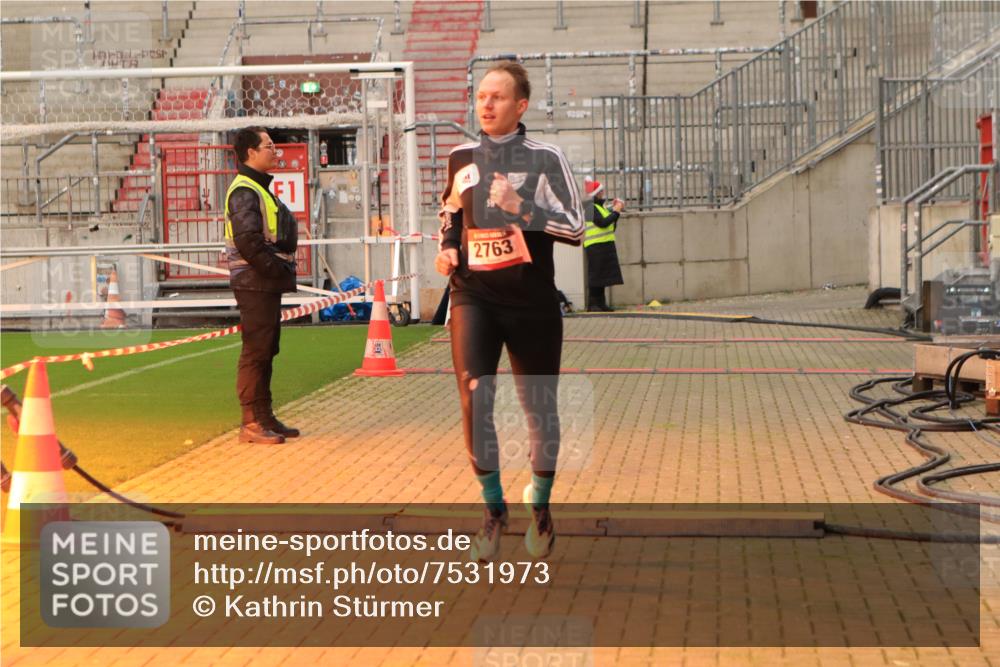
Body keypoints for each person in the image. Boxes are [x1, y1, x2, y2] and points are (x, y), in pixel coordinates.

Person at [435, 61, 584, 561]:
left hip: (532, 301)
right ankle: (494, 508)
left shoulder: (546, 157)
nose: (486, 104)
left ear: (520, 106)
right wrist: (449, 246)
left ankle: (539, 506)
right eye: (481, 96)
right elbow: (451, 211)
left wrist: (522, 209)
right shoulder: (461, 156)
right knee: (475, 402)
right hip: (472, 295)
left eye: (498, 97)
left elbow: (576, 228)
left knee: (539, 409)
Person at [225, 127, 300, 444]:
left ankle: (264, 416)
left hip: (262, 281)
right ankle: (251, 422)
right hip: (254, 281)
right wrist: (274, 268)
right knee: (256, 352)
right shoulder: (245, 191)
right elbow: (248, 241)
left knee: (267, 349)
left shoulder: (256, 187)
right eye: (269, 146)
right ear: (251, 152)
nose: (275, 151)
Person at [582, 177, 625, 312]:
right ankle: (593, 304)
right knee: (596, 275)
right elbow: (602, 223)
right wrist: (616, 211)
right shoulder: (590, 208)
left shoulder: (601, 208)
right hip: (595, 246)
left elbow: (611, 226)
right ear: (596, 193)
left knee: (602, 276)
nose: (603, 193)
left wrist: (614, 211)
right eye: (601, 191)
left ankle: (601, 304)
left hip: (603, 245)